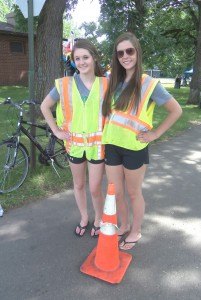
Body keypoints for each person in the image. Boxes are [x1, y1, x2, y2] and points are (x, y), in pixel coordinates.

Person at [102, 32, 182, 250]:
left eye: (129, 51)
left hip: (134, 148)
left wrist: (155, 134)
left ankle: (135, 231)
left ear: (137, 52)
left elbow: (176, 110)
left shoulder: (149, 84)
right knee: (116, 192)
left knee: (133, 193)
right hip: (112, 145)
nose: (125, 56)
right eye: (120, 53)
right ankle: (124, 224)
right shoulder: (113, 80)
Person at [41, 39, 108, 238]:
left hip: (98, 146)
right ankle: (84, 217)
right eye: (77, 58)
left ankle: (99, 219)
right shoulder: (64, 84)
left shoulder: (106, 84)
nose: (81, 62)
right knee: (78, 185)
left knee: (95, 187)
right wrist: (56, 131)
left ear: (94, 58)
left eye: (85, 57)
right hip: (74, 146)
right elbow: (45, 106)